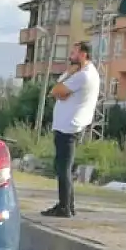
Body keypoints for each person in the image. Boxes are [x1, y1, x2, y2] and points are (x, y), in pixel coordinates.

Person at [44, 40, 101, 218]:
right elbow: (59, 92)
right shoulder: (86, 73)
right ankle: (68, 204)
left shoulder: (83, 75)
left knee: (63, 168)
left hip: (69, 126)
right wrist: (63, 87)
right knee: (62, 167)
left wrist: (68, 74)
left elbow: (55, 90)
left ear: (83, 54)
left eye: (74, 53)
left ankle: (64, 208)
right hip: (69, 124)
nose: (71, 56)